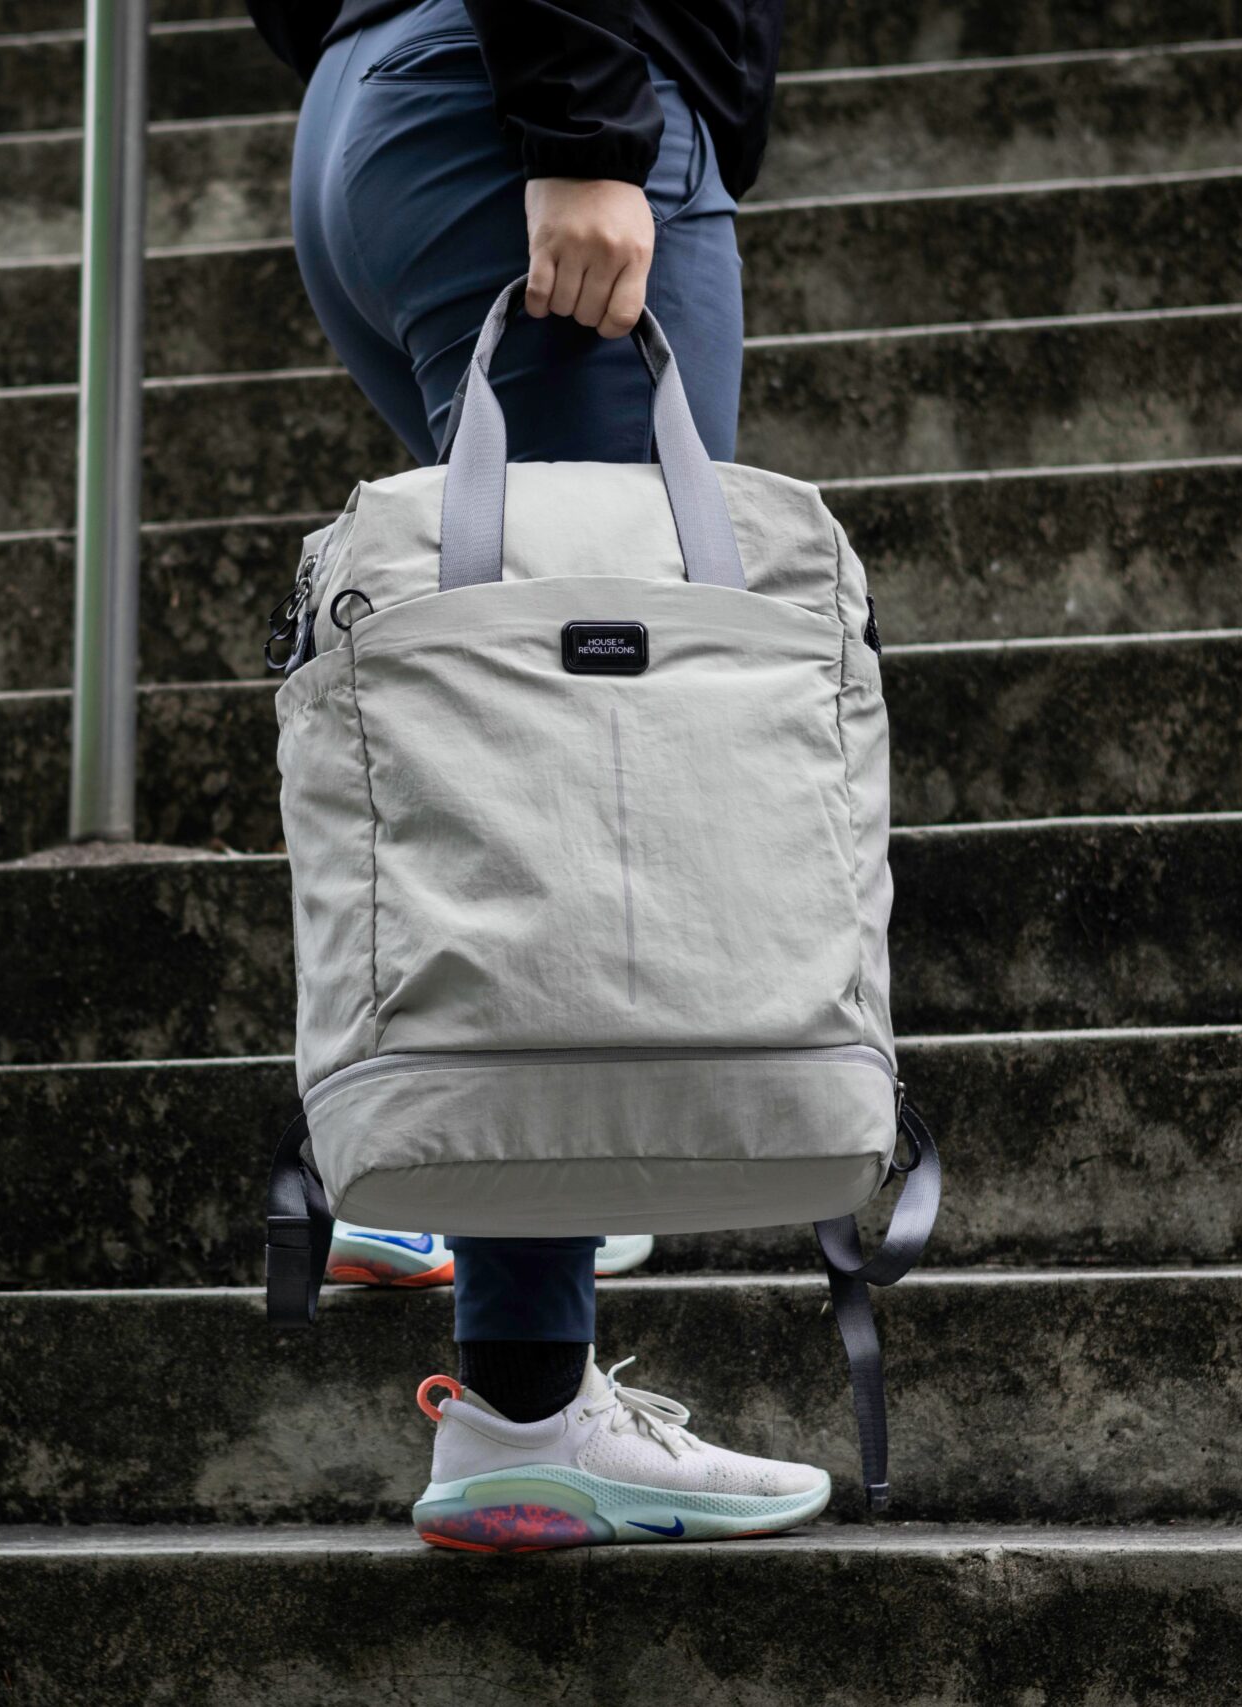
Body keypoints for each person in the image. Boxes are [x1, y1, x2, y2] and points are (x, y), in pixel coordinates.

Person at [248, 0, 832, 1545]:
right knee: (583, 756)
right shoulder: (561, 116)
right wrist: (584, 131)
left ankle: (459, 1190)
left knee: (524, 713)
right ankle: (524, 1406)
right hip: (533, 101)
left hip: (389, 103)